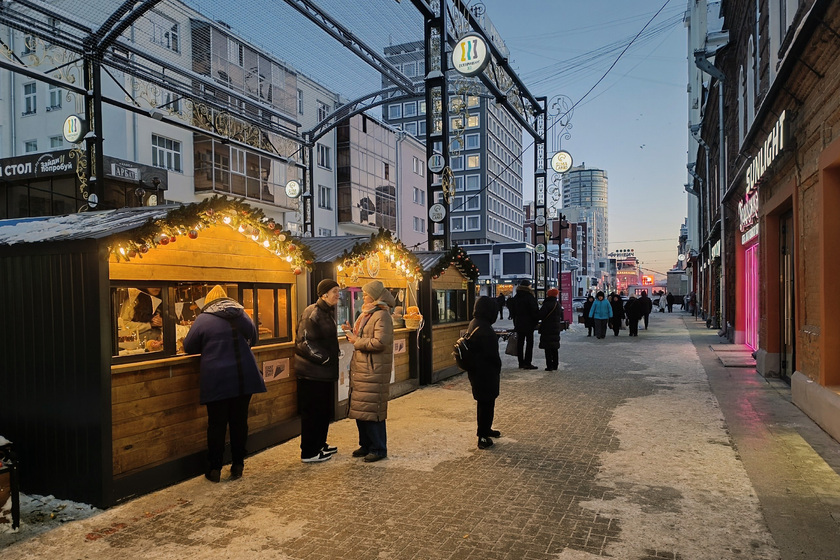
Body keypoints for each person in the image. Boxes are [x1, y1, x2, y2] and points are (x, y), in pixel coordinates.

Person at [183, 285, 266, 482]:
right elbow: (253, 338)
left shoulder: (203, 319)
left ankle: (214, 469)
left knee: (217, 424)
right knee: (239, 422)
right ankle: (238, 465)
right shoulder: (242, 314)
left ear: (209, 301)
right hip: (243, 376)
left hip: (217, 378)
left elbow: (188, 347)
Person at [342, 280, 395, 463]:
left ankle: (379, 448)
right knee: (361, 409)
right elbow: (364, 337)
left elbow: (380, 342)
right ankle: (365, 444)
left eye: (366, 294)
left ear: (375, 295)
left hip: (374, 369)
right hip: (363, 367)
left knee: (372, 410)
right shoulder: (367, 314)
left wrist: (357, 340)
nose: (363, 297)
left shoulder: (382, 315)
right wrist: (351, 332)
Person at [294, 279, 341, 463]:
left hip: (323, 373)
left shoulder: (326, 312)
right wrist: (326, 358)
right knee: (312, 412)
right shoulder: (312, 312)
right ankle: (309, 451)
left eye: (338, 291)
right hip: (312, 373)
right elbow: (304, 343)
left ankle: (320, 444)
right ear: (323, 294)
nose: (338, 295)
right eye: (334, 291)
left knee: (323, 411)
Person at [465, 296, 502, 449]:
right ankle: (483, 436)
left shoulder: (475, 322)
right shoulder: (485, 329)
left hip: (477, 370)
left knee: (485, 402)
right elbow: (491, 355)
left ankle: (486, 429)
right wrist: (497, 367)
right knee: (486, 403)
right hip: (485, 372)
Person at [506, 279, 539, 369]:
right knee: (529, 343)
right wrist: (536, 320)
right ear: (528, 286)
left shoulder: (516, 297)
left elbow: (512, 309)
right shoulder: (529, 297)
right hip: (529, 323)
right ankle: (527, 362)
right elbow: (534, 310)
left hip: (519, 323)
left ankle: (521, 363)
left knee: (520, 343)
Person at [538, 288, 562, 371]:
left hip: (547, 328)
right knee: (554, 347)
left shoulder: (547, 304)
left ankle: (549, 366)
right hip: (555, 328)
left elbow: (540, 315)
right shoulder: (557, 304)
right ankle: (555, 365)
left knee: (547, 348)